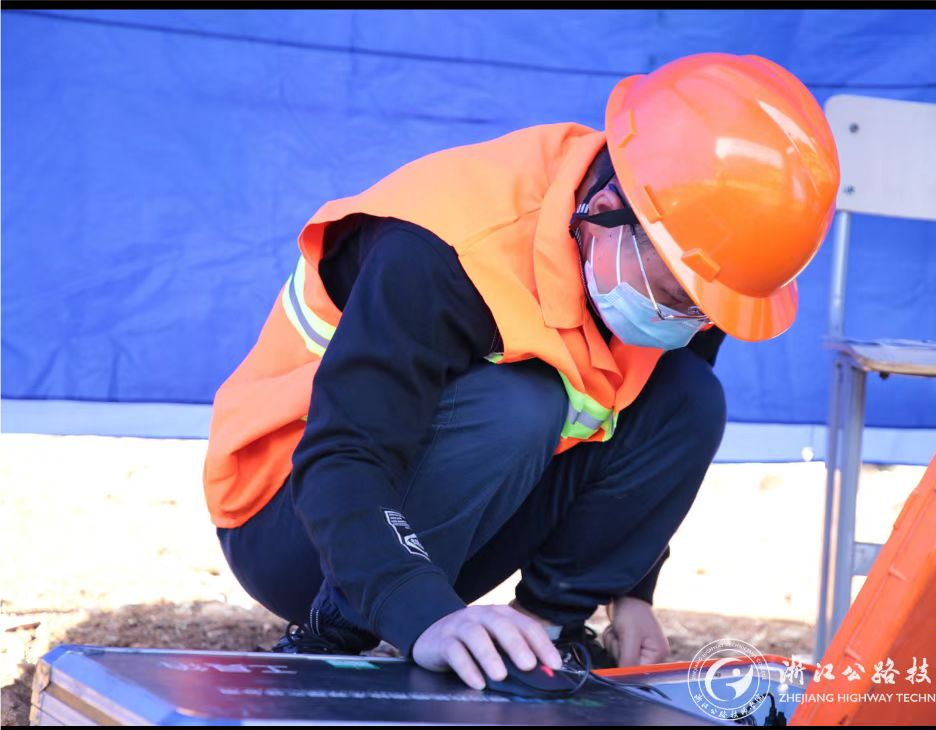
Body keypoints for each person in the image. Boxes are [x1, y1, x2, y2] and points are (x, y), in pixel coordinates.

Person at [203, 52, 839, 690]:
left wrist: (632, 586)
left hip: (448, 523)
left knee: (688, 399)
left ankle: (547, 630)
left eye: (708, 310)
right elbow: (345, 451)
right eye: (677, 297)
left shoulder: (696, 255)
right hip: (299, 524)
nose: (689, 322)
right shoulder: (442, 248)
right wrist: (421, 613)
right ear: (607, 209)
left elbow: (650, 402)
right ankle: (337, 631)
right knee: (521, 404)